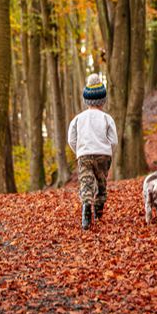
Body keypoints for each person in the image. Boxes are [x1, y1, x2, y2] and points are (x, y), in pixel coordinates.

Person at [68, 73, 118, 230]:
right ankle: (98, 211)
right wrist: (108, 151)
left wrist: (79, 151)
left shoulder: (78, 119)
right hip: (103, 155)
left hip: (84, 155)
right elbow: (114, 140)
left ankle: (86, 214)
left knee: (86, 183)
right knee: (101, 183)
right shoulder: (107, 118)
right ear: (103, 100)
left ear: (86, 99)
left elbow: (71, 139)